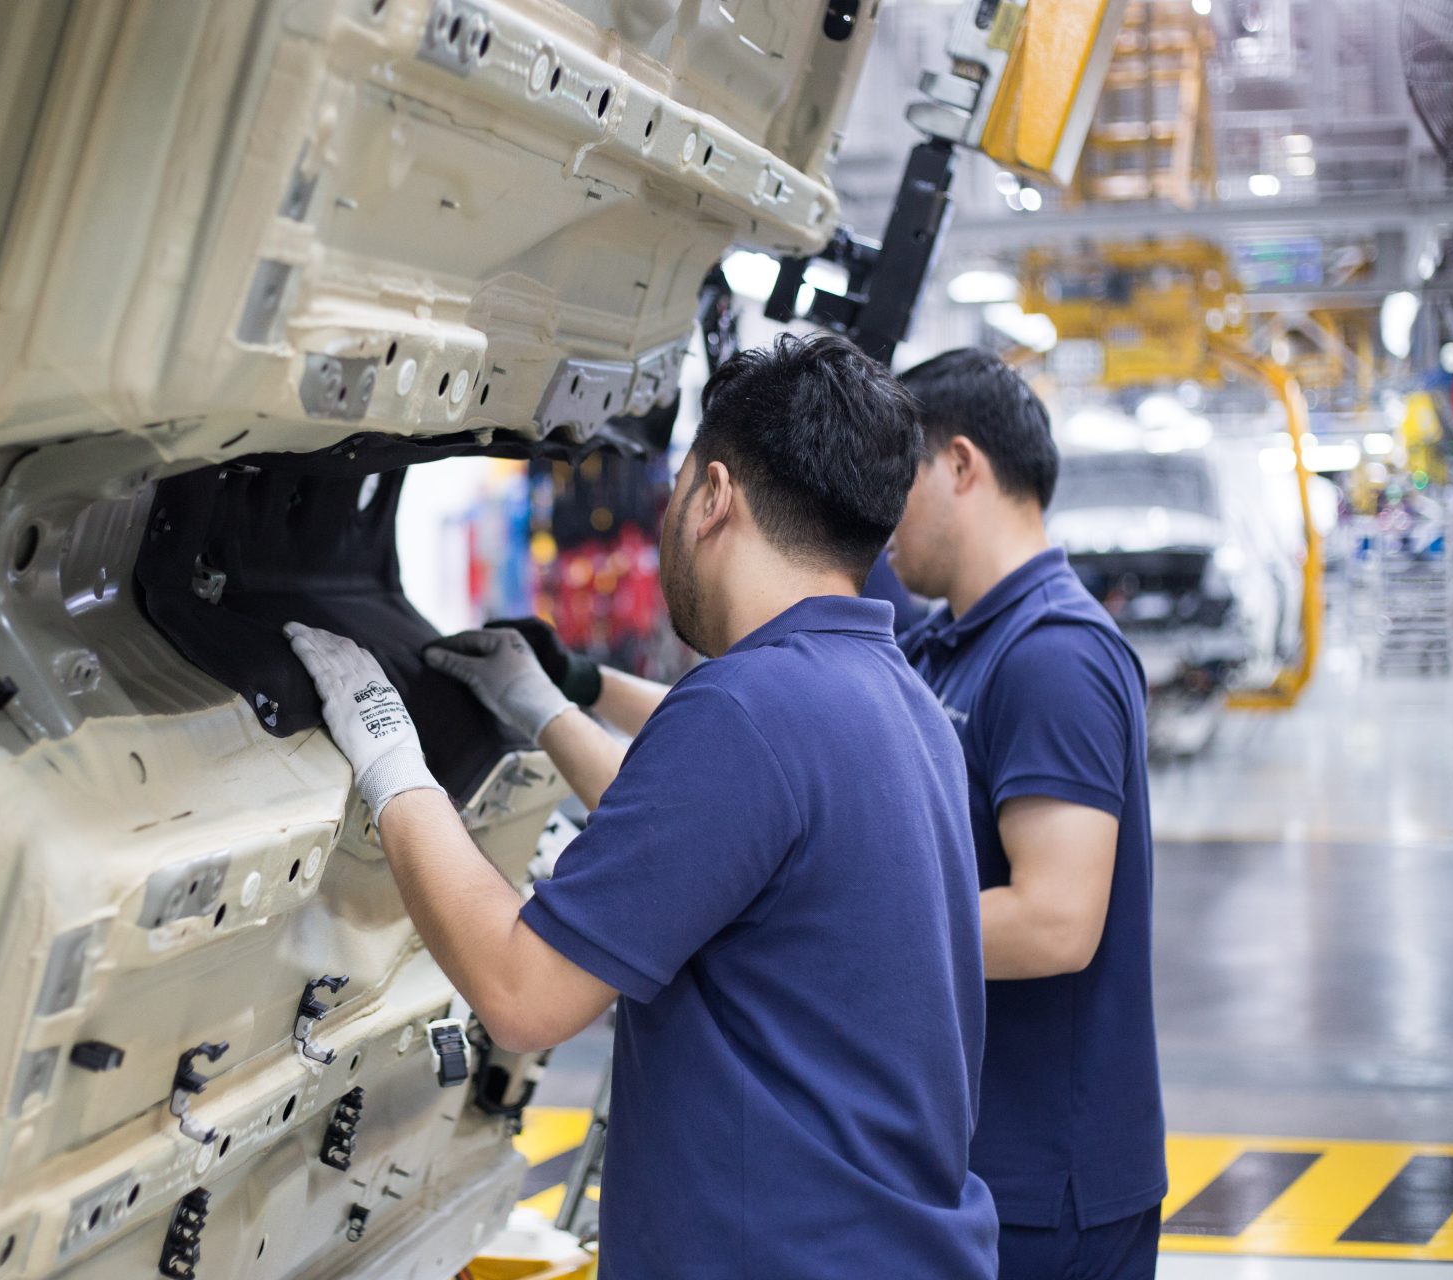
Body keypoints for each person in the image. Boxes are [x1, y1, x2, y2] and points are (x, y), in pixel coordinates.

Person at [284, 333, 997, 1279]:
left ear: (712, 496)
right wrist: (542, 710)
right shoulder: (899, 701)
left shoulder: (747, 708)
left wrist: (392, 763)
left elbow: (523, 993)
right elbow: (707, 853)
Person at [889, 348, 1165, 1279]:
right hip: (976, 1161)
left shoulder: (1054, 655)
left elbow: (1056, 922)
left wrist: (840, 940)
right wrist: (578, 690)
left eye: (898, 474)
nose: (879, 514)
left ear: (961, 465)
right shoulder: (950, 645)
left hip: (1051, 1190)